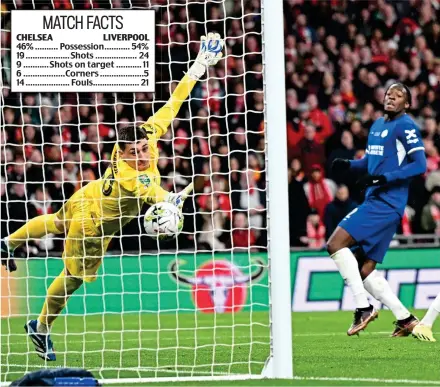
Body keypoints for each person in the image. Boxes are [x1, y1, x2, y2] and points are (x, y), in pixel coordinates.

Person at [0, 33, 224, 361]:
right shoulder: (129, 175)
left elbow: (172, 104)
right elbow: (150, 190)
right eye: (135, 152)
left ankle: (7, 243)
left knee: (57, 221)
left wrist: (198, 66)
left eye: (145, 148)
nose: (143, 154)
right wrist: (169, 201)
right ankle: (41, 325)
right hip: (95, 227)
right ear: (125, 152)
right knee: (73, 278)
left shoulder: (147, 132)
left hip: (88, 196)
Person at [329, 83, 427, 336]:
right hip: (376, 200)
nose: (391, 98)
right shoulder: (377, 125)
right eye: (388, 94)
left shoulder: (406, 126)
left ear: (407, 104)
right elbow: (370, 164)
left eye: (398, 96)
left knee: (335, 243)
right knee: (362, 269)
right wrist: (349, 165)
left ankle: (363, 308)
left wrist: (385, 179)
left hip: (387, 202)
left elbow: (419, 165)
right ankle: (405, 319)